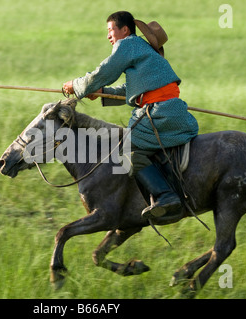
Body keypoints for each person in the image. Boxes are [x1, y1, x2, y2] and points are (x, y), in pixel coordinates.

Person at [62, 11, 199, 221]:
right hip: (173, 111)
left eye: (110, 30)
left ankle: (165, 196)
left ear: (124, 30)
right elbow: (131, 90)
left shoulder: (126, 45)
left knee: (126, 149)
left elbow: (103, 72)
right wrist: (101, 92)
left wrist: (77, 85)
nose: (108, 36)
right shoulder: (144, 51)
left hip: (158, 113)